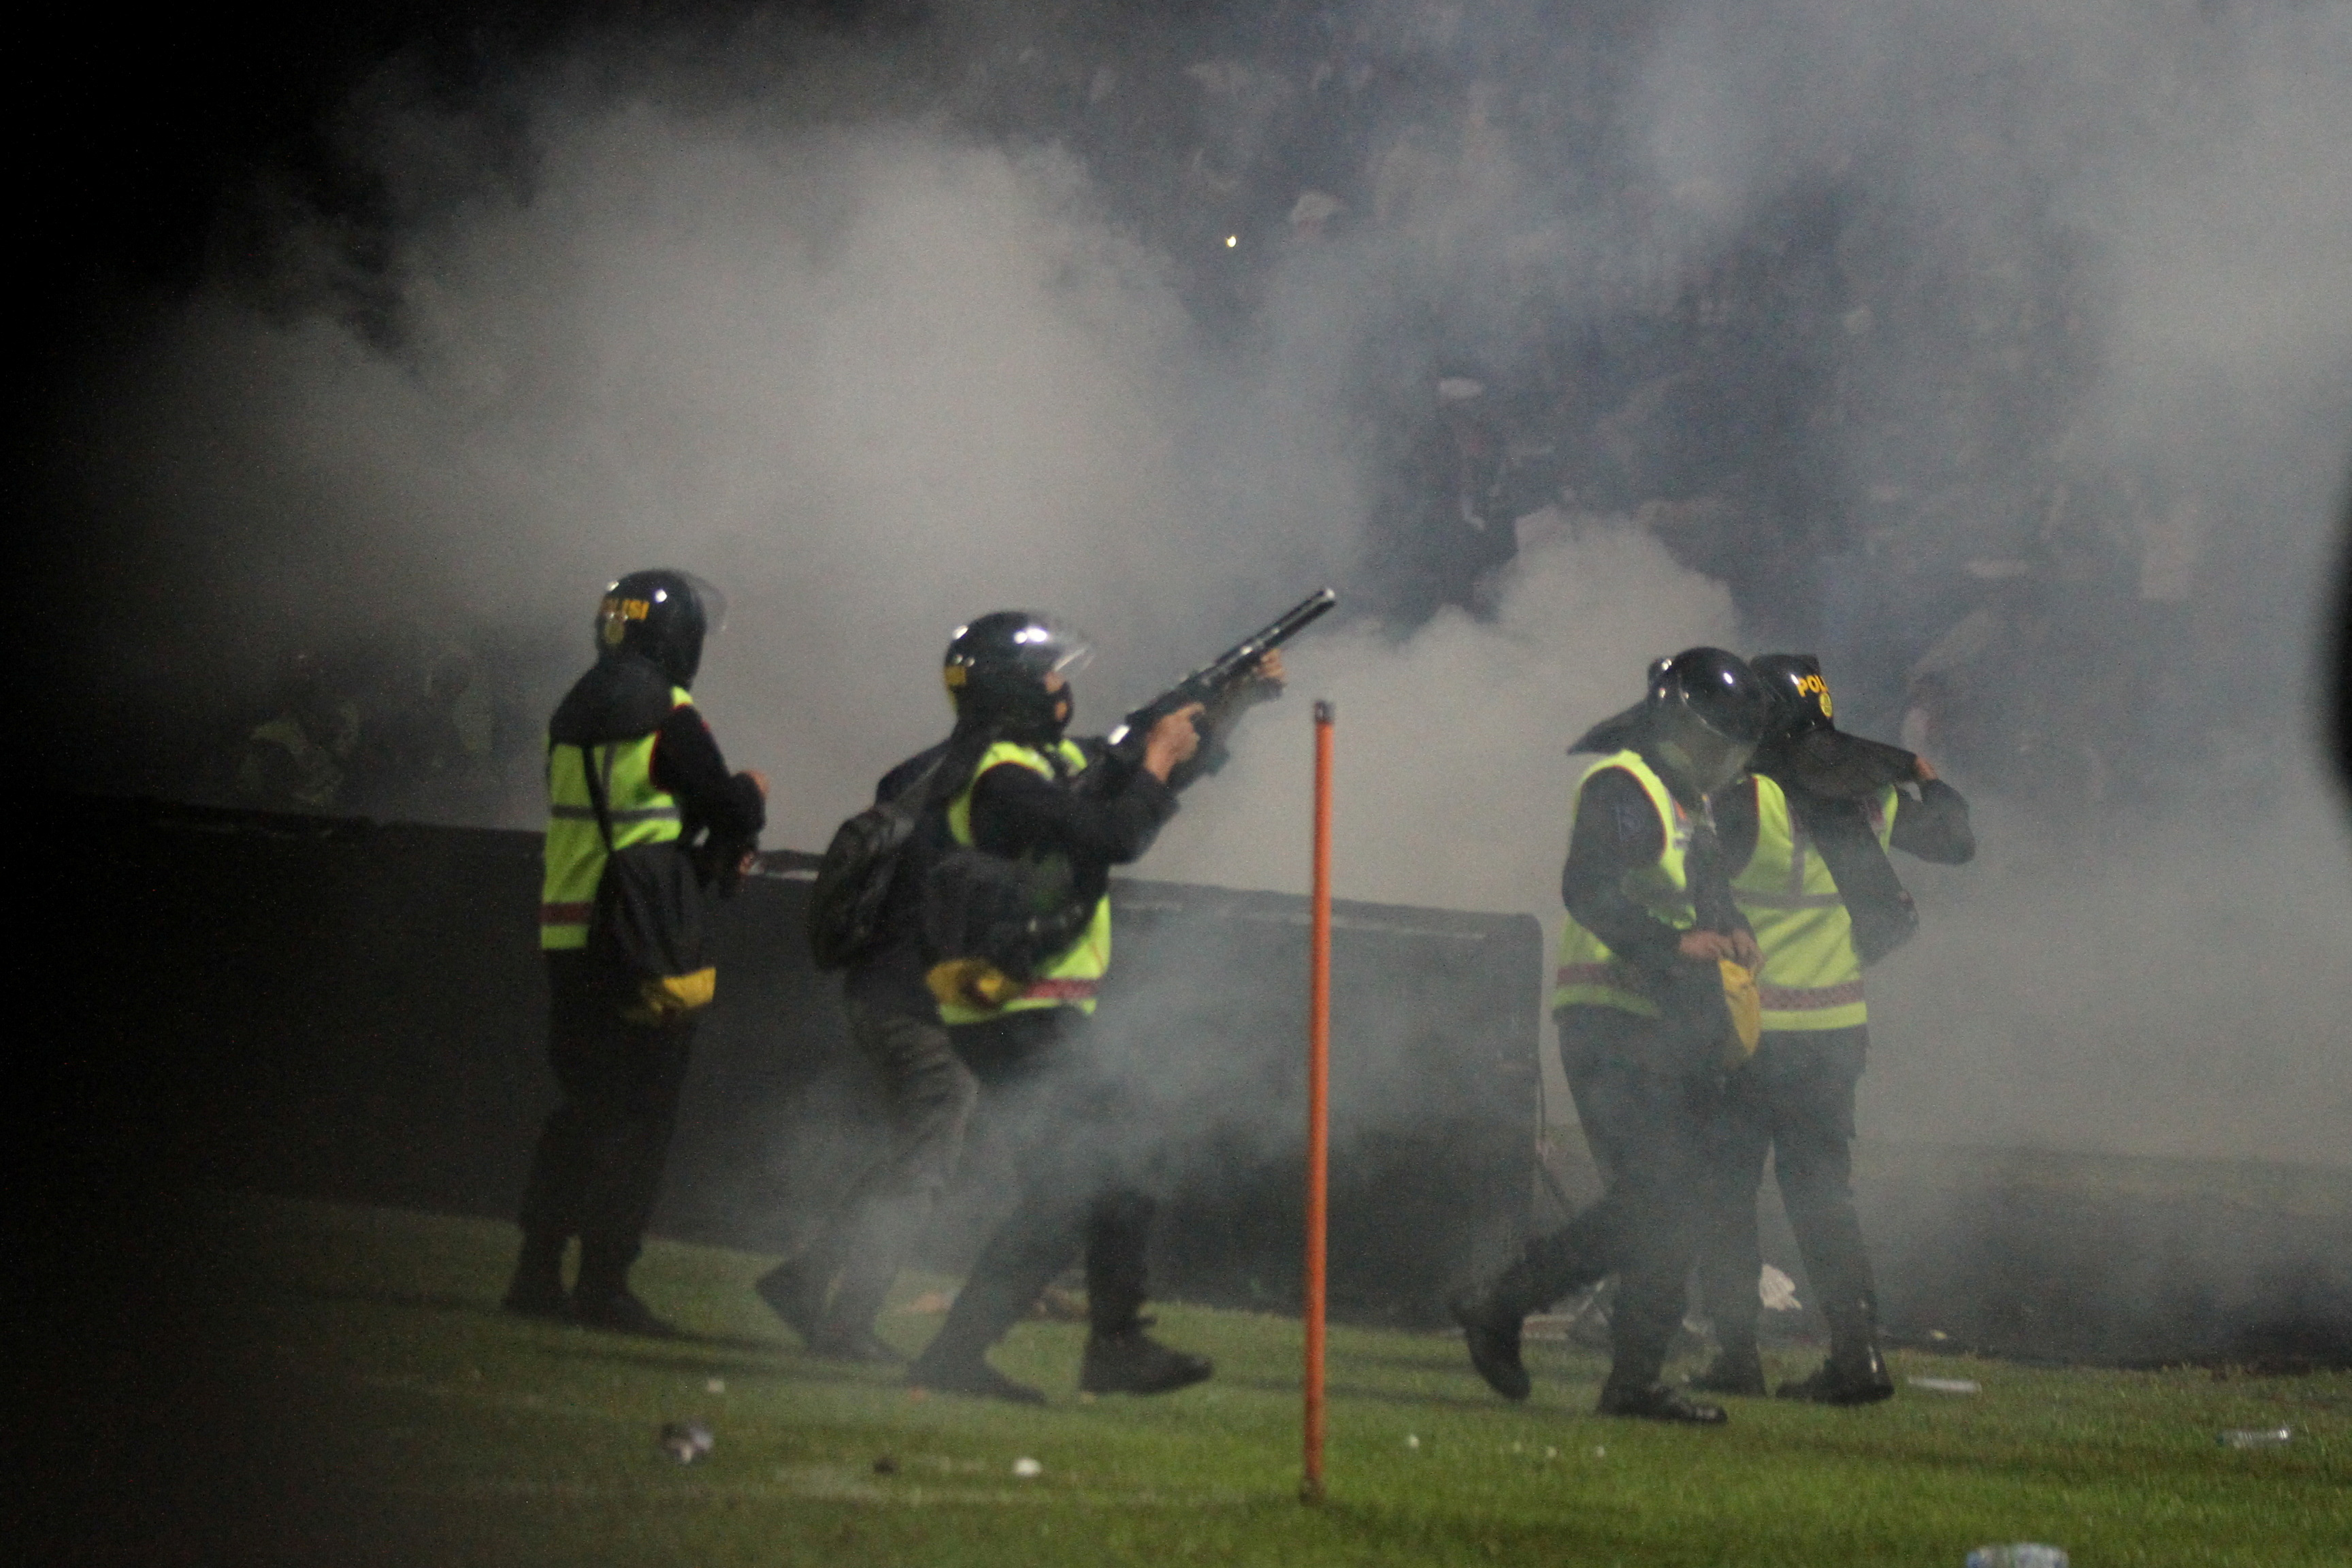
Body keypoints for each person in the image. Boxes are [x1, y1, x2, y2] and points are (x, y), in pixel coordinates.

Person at [902, 610, 1283, 1404]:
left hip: (1027, 1008)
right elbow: (1114, 831)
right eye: (1049, 675)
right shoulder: (1002, 775)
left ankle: (1001, 1352)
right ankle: (1109, 1347)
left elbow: (1141, 775)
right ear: (1015, 688)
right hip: (1017, 1009)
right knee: (1108, 1165)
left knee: (1076, 1187)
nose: (1063, 687)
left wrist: (1229, 707)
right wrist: (1157, 760)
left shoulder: (1031, 761)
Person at [1451, 648, 1774, 1424]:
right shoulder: (1622, 784)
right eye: (1711, 745)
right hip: (1611, 1018)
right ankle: (1505, 1305)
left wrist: (1732, 930)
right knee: (1661, 1198)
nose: (1721, 762)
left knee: (1675, 1204)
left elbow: (1710, 892)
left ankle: (1629, 1380)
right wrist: (1671, 947)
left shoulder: (1687, 803)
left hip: (1668, 1023)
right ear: (1674, 725)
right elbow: (1586, 888)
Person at [1689, 653, 1974, 1403]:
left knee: (1727, 1194)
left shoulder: (1748, 798)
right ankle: (1859, 1357)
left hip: (1747, 1034)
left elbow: (1690, 881)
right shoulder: (1869, 801)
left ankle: (1736, 1355)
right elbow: (1956, 841)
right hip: (1835, 1033)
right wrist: (1923, 772)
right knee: (1823, 1199)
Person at [504, 570, 766, 1335]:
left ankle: (536, 1272)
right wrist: (751, 789)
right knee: (639, 1116)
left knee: (581, 1110)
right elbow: (725, 805)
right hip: (640, 936)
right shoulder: (667, 710)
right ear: (676, 635)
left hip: (568, 928)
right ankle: (605, 1284)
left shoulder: (573, 707)